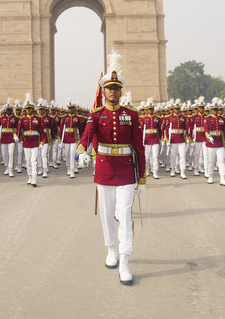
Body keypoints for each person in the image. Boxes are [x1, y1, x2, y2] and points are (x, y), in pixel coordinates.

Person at [76, 58, 146, 285]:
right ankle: (111, 250)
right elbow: (87, 135)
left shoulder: (132, 115)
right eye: (109, 88)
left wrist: (142, 176)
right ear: (103, 91)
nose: (113, 91)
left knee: (124, 215)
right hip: (104, 169)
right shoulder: (95, 114)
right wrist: (82, 149)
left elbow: (139, 146)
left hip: (126, 171)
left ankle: (125, 260)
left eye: (116, 88)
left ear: (121, 91)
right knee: (106, 215)